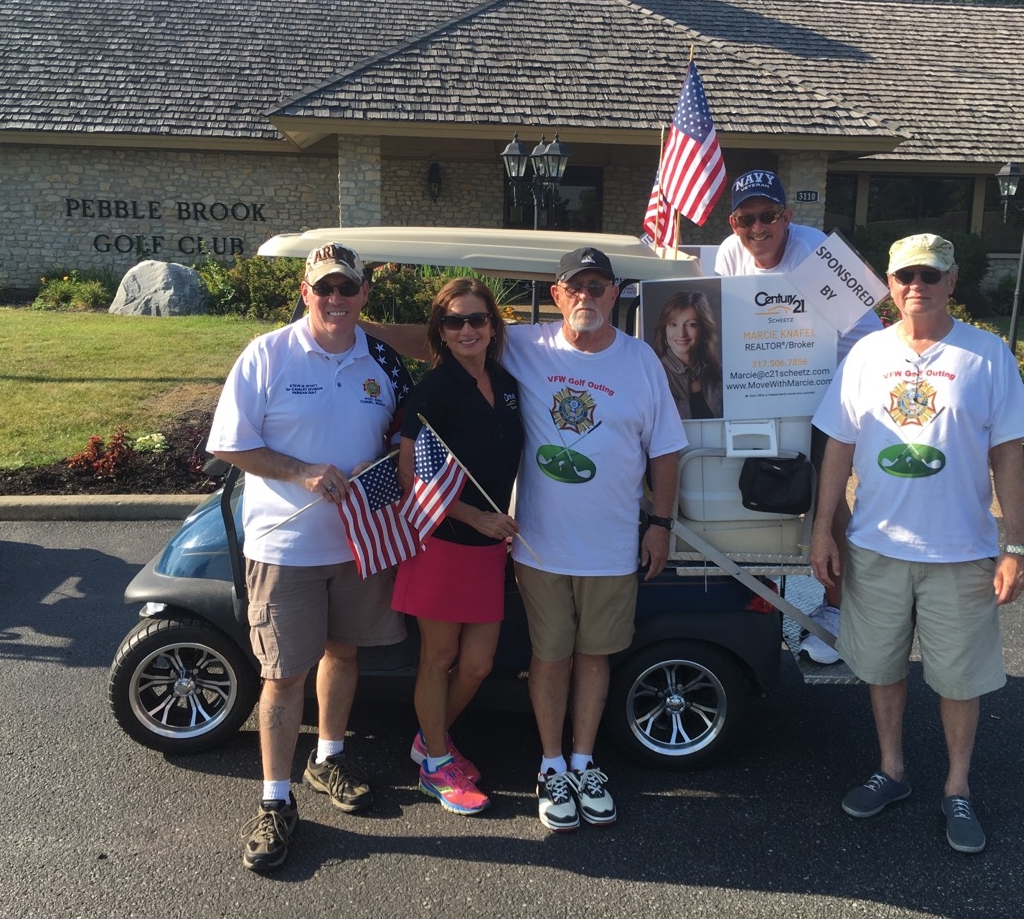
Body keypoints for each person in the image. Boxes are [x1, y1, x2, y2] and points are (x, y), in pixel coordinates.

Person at [363, 247, 686, 832]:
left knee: (579, 657)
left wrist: (660, 525)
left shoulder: (639, 360)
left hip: (606, 543)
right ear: (557, 295)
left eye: (597, 286)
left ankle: (582, 763)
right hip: (534, 545)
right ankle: (546, 765)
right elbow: (435, 343)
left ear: (615, 293)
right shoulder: (525, 347)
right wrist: (356, 324)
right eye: (574, 287)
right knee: (538, 656)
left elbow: (665, 450)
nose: (586, 296)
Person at [809, 233, 1024, 854]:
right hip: (877, 547)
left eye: (930, 275)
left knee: (959, 680)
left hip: (959, 553)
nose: (918, 286)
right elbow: (838, 445)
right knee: (882, 669)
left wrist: (1016, 546)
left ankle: (957, 787)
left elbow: (1007, 454)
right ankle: (892, 770)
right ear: (889, 284)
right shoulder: (865, 354)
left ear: (952, 281)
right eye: (906, 276)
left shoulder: (987, 355)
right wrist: (823, 529)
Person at [207, 241, 413, 872]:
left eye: (347, 288)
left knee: (343, 654)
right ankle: (275, 800)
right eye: (324, 288)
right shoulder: (268, 354)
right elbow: (230, 444)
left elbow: (403, 433)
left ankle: (328, 759)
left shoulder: (382, 360)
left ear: (364, 294)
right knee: (283, 675)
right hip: (286, 545)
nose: (335, 298)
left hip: (358, 540)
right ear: (305, 293)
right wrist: (300, 472)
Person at [716, 168, 882, 663]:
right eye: (746, 219)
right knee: (748, 483)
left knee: (826, 502)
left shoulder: (818, 253)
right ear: (733, 222)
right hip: (765, 385)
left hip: (831, 387)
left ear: (787, 216)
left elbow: (871, 338)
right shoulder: (728, 253)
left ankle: (840, 608)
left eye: (768, 216)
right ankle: (756, 588)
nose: (757, 228)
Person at [390, 278, 522, 816]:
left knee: (478, 665)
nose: (467, 329)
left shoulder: (507, 383)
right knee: (440, 658)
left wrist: (498, 522)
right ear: (440, 332)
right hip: (442, 542)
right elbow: (409, 477)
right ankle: (436, 765)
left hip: (490, 548)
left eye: (477, 319)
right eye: (454, 321)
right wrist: (475, 517)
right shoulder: (434, 390)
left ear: (492, 325)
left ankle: (430, 740)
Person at [652, 289, 723, 419]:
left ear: (703, 329)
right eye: (673, 324)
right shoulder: (653, 375)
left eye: (691, 325)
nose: (681, 334)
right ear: (664, 330)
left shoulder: (718, 372)